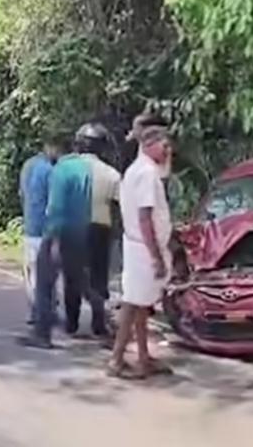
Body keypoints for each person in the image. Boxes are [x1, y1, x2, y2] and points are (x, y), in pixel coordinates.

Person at [18, 126, 106, 349]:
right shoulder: (84, 169)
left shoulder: (60, 170)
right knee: (81, 282)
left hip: (58, 232)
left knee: (44, 284)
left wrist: (53, 237)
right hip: (79, 231)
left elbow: (55, 207)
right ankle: (104, 317)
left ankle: (42, 334)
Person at [108, 125, 174, 379]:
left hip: (136, 244)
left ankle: (143, 357)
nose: (168, 152)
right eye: (164, 146)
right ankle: (116, 359)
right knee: (133, 303)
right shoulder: (146, 173)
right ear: (149, 145)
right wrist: (156, 255)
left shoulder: (137, 171)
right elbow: (145, 217)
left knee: (141, 304)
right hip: (145, 247)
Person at [19, 135, 62, 320]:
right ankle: (47, 310)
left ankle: (35, 310)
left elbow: (22, 193)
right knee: (47, 273)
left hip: (30, 225)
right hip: (46, 228)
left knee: (32, 271)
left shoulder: (27, 166)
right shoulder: (51, 170)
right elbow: (54, 203)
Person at [80, 124, 121, 304]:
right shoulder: (111, 173)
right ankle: (98, 314)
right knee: (99, 273)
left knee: (73, 272)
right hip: (100, 228)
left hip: (71, 227)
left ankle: (71, 320)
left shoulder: (65, 169)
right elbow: (122, 203)